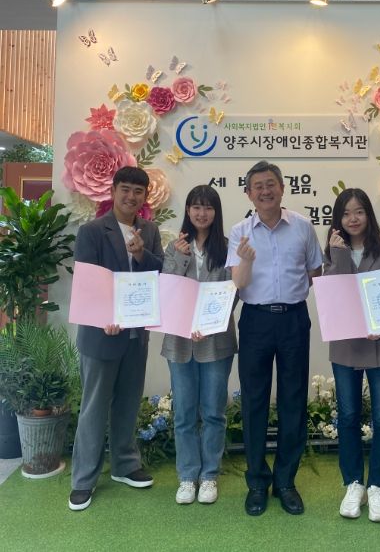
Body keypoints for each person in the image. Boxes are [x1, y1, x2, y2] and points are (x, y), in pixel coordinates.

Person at [226, 161, 323, 516]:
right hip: (255, 320)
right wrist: (246, 262)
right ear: (248, 193)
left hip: (294, 319)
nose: (265, 191)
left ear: (282, 187)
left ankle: (285, 481)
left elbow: (315, 271)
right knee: (254, 401)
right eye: (258, 186)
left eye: (271, 184)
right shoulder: (239, 232)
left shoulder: (302, 227)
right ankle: (256, 482)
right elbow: (237, 283)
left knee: (293, 400)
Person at [69, 166, 164, 511]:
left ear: (145, 196)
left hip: (136, 335)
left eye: (138, 191)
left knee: (127, 403)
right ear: (113, 191)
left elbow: (159, 273)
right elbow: (87, 282)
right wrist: (103, 318)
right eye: (125, 189)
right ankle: (83, 480)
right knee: (94, 408)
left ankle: (125, 465)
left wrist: (140, 254)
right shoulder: (92, 231)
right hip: (101, 335)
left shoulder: (149, 231)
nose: (131, 196)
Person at [324, 188, 380, 523]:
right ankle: (354, 483)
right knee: (347, 416)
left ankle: (378, 487)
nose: (353, 219)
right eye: (346, 213)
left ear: (369, 214)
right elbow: (334, 296)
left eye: (359, 211)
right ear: (338, 219)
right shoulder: (333, 249)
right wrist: (339, 255)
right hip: (346, 344)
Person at [161, 185, 237, 506]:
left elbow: (233, 292)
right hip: (179, 341)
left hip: (215, 340)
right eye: (196, 207)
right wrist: (180, 259)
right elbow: (168, 289)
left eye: (208, 207)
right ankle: (187, 475)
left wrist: (207, 323)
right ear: (188, 211)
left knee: (214, 412)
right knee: (184, 412)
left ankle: (209, 476)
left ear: (216, 212)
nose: (201, 213)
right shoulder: (175, 247)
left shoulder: (228, 248)